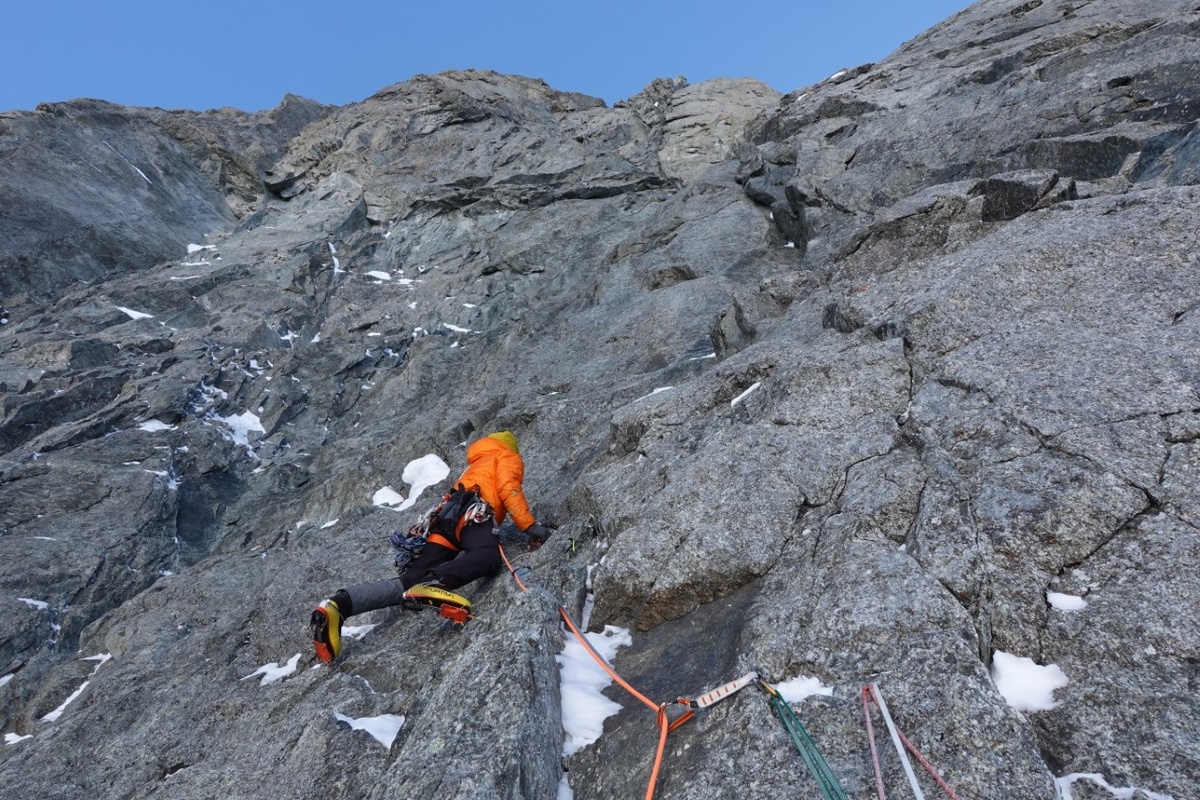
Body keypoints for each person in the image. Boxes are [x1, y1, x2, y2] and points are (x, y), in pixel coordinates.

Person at [310, 431, 550, 662]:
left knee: (409, 582)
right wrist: (530, 526)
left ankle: (339, 604)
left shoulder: (475, 463)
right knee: (488, 556)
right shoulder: (506, 456)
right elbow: (509, 487)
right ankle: (435, 583)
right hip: (474, 514)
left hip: (446, 518)